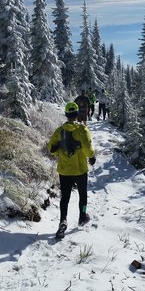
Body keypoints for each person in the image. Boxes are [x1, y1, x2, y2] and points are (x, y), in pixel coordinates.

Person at [48, 101, 96, 239]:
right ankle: (82, 216)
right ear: (76, 114)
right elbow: (88, 149)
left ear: (66, 114)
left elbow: (51, 148)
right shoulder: (82, 130)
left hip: (64, 170)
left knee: (65, 197)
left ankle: (63, 221)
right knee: (83, 196)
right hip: (80, 170)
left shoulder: (59, 131)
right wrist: (92, 156)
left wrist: (60, 153)